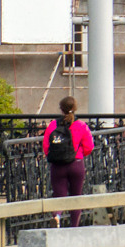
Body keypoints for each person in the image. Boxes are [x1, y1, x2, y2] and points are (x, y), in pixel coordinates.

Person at [42, 96, 95, 228]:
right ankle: (74, 227)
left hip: (58, 165)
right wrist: (79, 155)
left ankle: (57, 216)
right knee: (76, 196)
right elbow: (89, 147)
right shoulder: (81, 125)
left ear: (61, 109)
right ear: (75, 108)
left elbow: (46, 146)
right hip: (76, 164)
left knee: (59, 195)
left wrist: (54, 156)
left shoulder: (53, 125)